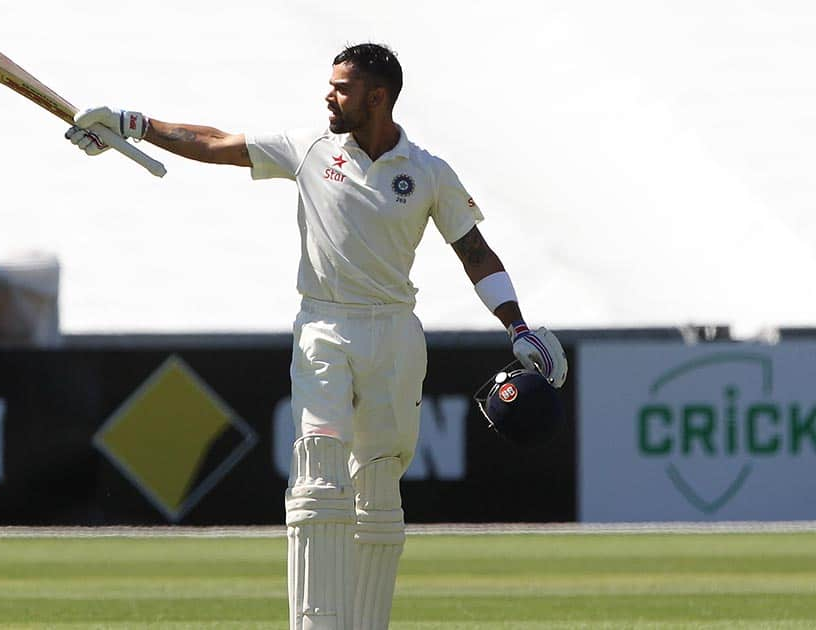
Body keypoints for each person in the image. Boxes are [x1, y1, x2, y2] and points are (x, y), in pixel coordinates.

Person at [66, 43, 567, 630]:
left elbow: (475, 252)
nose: (328, 96)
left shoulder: (428, 171)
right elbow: (214, 143)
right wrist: (137, 125)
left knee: (377, 480)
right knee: (319, 473)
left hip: (395, 333)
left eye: (342, 88)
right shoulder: (308, 149)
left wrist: (517, 326)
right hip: (324, 326)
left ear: (377, 97)